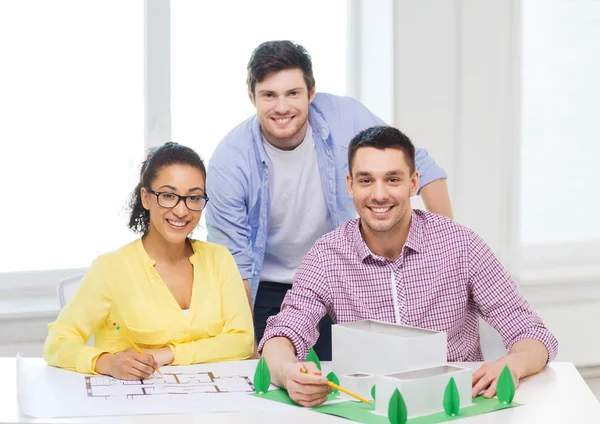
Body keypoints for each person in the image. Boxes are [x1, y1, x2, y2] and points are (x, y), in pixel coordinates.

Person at [259, 126, 558, 407]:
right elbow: (282, 335)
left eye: (392, 179)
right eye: (366, 180)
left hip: (456, 402)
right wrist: (288, 373)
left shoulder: (461, 245)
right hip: (366, 405)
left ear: (413, 183)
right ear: (350, 185)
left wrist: (512, 364)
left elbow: (533, 334)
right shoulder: (327, 255)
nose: (379, 194)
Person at [206, 40, 453, 361]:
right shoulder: (229, 161)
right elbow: (233, 263)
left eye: (293, 93)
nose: (282, 107)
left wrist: (446, 249)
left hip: (341, 275)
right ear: (252, 97)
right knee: (274, 380)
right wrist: (248, 344)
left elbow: (420, 165)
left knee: (368, 369)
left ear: (311, 93)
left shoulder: (345, 117)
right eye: (269, 95)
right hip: (268, 286)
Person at [44, 142, 254, 380]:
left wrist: (169, 354)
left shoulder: (220, 259)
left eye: (194, 198)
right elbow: (56, 343)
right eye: (168, 195)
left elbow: (243, 341)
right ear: (146, 197)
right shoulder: (111, 269)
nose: (182, 211)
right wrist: (107, 362)